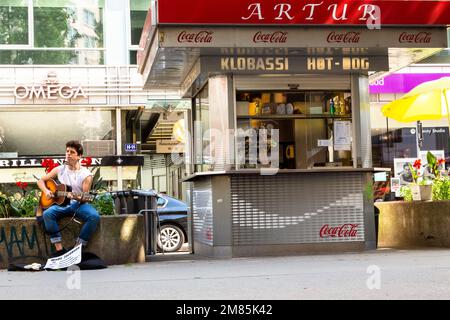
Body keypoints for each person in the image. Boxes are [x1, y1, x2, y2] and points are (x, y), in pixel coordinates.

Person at [37, 140, 100, 257]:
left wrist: (76, 196)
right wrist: (46, 191)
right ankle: (59, 250)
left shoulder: (86, 175)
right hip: (61, 204)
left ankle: (77, 248)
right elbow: (40, 181)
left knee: (94, 216)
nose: (68, 154)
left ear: (79, 156)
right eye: (67, 151)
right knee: (47, 214)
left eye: (72, 152)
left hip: (78, 204)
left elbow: (86, 197)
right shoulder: (59, 169)